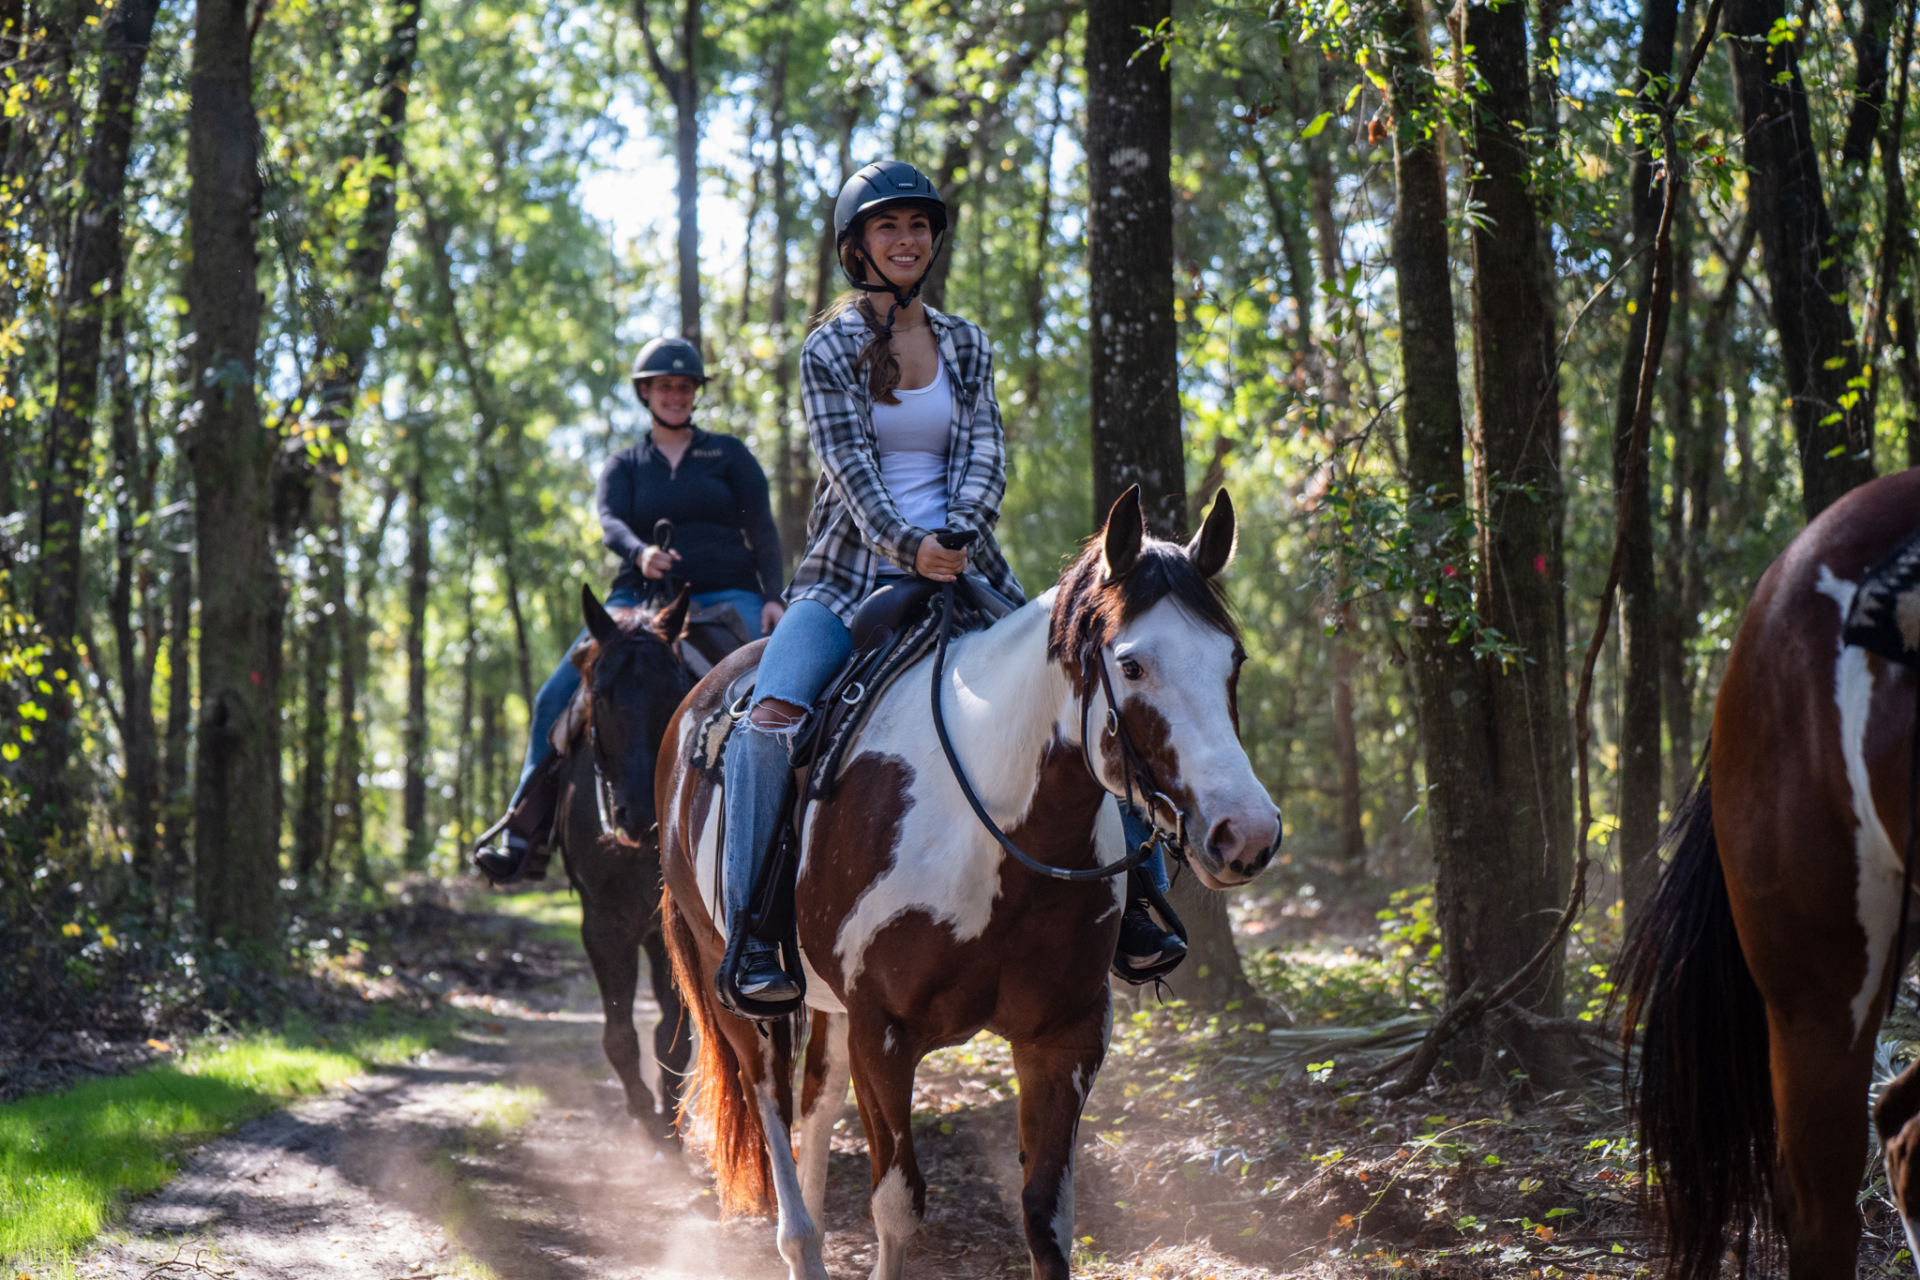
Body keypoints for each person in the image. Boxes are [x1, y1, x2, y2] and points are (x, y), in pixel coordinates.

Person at [717, 159, 1183, 1011]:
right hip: (851, 572)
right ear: (858, 247)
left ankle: (1141, 900)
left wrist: (956, 536)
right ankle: (752, 932)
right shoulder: (829, 347)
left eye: (919, 227)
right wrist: (908, 543)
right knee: (766, 723)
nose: (907, 240)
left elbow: (983, 454)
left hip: (970, 566)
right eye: (888, 228)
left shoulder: (966, 342)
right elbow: (850, 467)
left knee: (1097, 679)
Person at [473, 337, 786, 883]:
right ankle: (526, 827)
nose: (675, 394)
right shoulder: (626, 463)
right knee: (556, 696)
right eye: (664, 385)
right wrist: (640, 553)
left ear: (694, 394)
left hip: (725, 594)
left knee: (767, 689)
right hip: (634, 600)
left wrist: (773, 596)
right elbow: (611, 521)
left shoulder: (729, 455)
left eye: (684, 386)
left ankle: (785, 820)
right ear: (645, 392)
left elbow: (760, 525)